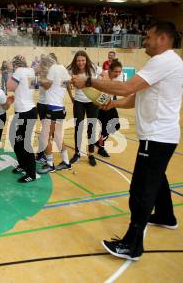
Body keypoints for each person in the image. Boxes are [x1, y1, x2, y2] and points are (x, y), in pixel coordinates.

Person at [72, 21, 183, 261]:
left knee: (141, 189)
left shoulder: (164, 61)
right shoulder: (168, 62)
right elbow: (134, 97)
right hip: (160, 136)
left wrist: (90, 81)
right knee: (158, 179)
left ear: (162, 39)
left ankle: (132, 245)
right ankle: (166, 216)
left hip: (156, 138)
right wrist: (113, 104)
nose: (144, 40)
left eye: (149, 36)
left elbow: (125, 88)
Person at [36, 54, 72, 174]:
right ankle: (66, 162)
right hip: (60, 107)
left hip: (52, 107)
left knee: (44, 137)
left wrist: (38, 76)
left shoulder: (53, 69)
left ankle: (50, 165)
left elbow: (46, 85)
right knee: (57, 137)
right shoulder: (63, 68)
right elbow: (67, 84)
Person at [7, 55, 38, 183]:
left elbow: (10, 87)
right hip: (26, 111)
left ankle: (31, 173)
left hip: (25, 112)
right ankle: (23, 164)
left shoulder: (19, 71)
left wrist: (10, 71)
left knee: (24, 143)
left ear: (15, 65)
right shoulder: (30, 71)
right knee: (16, 140)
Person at [67, 50, 100, 166]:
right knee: (78, 128)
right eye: (78, 60)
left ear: (86, 60)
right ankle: (77, 153)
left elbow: (101, 81)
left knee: (91, 128)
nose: (81, 63)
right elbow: (66, 82)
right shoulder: (71, 70)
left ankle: (91, 154)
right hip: (79, 102)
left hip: (92, 102)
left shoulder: (93, 69)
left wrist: (98, 97)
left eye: (83, 60)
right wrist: (71, 96)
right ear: (75, 61)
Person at [95, 61, 123, 158]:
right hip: (101, 105)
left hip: (110, 103)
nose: (118, 74)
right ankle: (101, 148)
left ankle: (98, 142)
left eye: (119, 71)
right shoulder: (103, 77)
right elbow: (96, 93)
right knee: (104, 128)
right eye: (116, 72)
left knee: (116, 125)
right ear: (109, 70)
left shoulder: (119, 77)